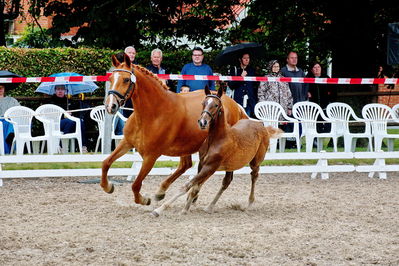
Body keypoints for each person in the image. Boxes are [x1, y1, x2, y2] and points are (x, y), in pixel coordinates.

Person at [50, 85, 88, 153]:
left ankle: (83, 146)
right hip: (55, 123)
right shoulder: (51, 101)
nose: (60, 91)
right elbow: (50, 115)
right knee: (69, 122)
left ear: (65, 91)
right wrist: (63, 115)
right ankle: (62, 146)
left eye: (62, 89)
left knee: (79, 121)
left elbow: (76, 114)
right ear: (55, 91)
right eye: (58, 89)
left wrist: (71, 113)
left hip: (69, 122)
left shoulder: (69, 101)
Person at [306, 62, 335, 134]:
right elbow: (304, 89)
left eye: (318, 67)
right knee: (316, 124)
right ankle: (316, 140)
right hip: (313, 106)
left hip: (325, 105)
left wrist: (329, 94)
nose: (317, 69)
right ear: (312, 70)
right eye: (315, 67)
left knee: (328, 122)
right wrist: (307, 92)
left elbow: (333, 90)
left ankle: (325, 136)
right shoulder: (308, 78)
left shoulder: (326, 78)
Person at [0, 84, 20, 154]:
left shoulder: (12, 100)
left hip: (10, 120)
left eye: (1, 88)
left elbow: (19, 110)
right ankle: (10, 137)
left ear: (4, 89)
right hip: (1, 121)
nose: (0, 89)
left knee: (12, 122)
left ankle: (11, 136)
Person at [122, 46, 136, 117]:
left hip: (135, 101)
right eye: (129, 53)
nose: (132, 55)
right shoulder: (120, 67)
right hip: (122, 100)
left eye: (133, 53)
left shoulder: (138, 67)